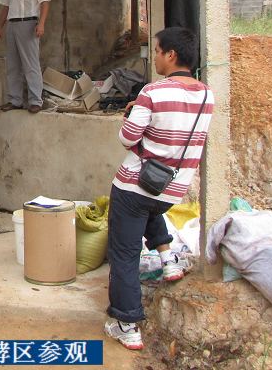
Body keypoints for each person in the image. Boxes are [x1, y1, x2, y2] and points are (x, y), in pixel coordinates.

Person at [104, 27, 214, 351]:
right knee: (147, 208)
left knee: (123, 254)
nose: (155, 57)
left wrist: (132, 115)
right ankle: (168, 260)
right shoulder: (207, 95)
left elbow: (127, 138)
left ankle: (127, 324)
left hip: (134, 184)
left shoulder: (152, 92)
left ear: (171, 54)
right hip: (171, 189)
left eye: (156, 51)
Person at [0, 0, 50, 113]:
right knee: (13, 65)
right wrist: (0, 27)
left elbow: (45, 3)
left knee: (31, 64)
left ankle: (35, 101)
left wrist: (41, 24)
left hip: (28, 24)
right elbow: (6, 7)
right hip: (12, 25)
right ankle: (15, 100)